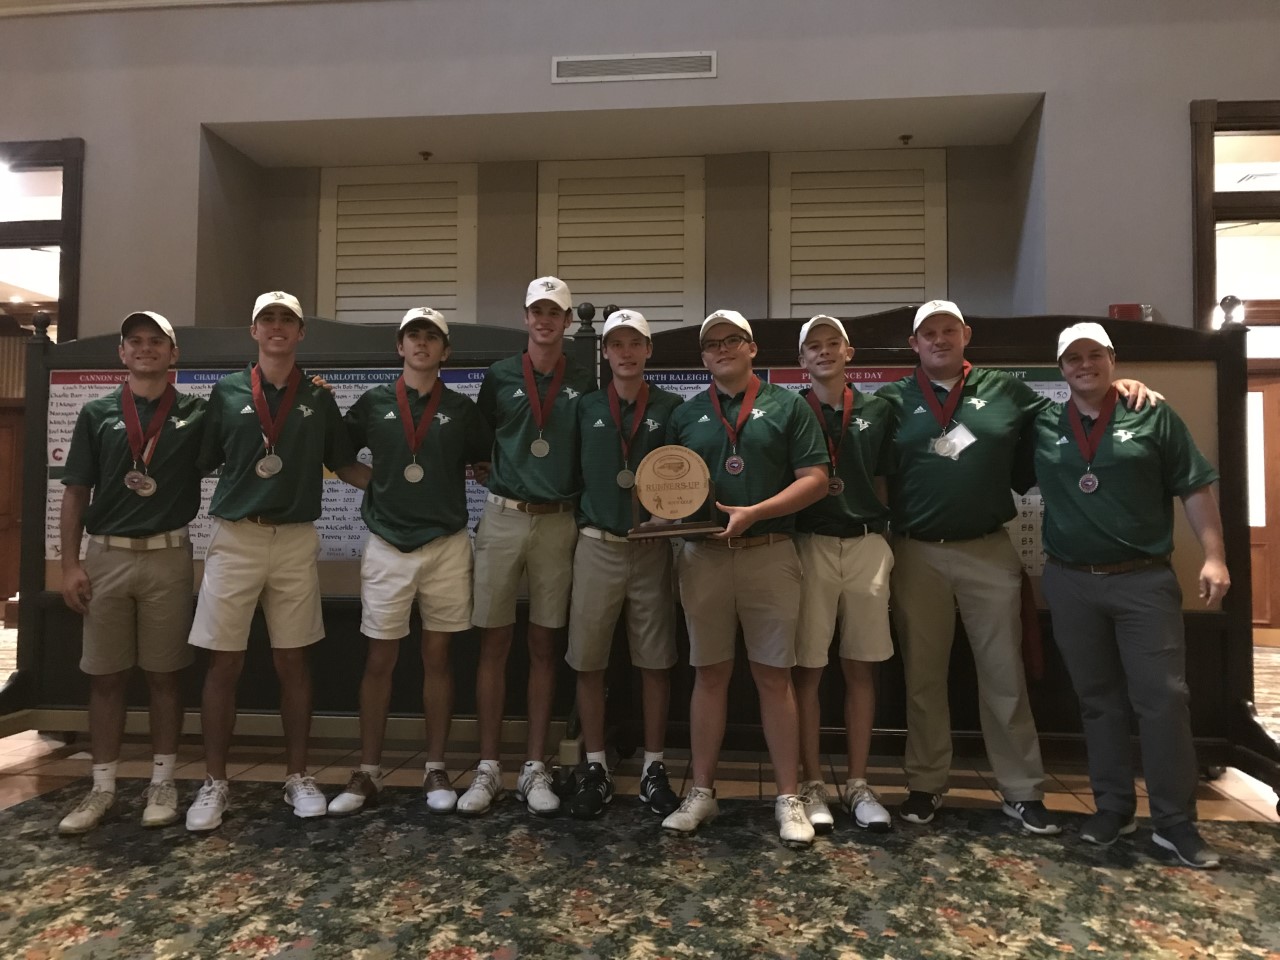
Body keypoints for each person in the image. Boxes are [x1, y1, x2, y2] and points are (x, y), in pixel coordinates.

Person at [877, 299, 1157, 834]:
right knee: (923, 676)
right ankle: (925, 784)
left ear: (966, 336)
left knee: (1003, 673)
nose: (939, 339)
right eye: (928, 333)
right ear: (914, 344)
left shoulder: (1004, 389)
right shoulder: (892, 398)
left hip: (988, 547)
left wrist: (1121, 388)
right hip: (915, 551)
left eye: (949, 331)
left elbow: (1074, 410)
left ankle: (1022, 790)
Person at [1036, 322, 1229, 868]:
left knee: (1163, 698)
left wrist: (1214, 556)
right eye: (1073, 358)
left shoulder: (1153, 413)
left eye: (1094, 355)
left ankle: (1174, 823)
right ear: (1061, 369)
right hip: (1071, 579)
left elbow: (1194, 485)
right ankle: (1113, 807)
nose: (1084, 366)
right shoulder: (1045, 422)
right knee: (1098, 701)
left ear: (1112, 360)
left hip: (1142, 579)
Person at [185, 291, 369, 831]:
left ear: (301, 332)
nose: (277, 328)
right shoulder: (226, 394)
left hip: (293, 540)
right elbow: (197, 460)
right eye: (267, 319)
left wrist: (398, 493)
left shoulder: (318, 398)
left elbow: (344, 463)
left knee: (293, 660)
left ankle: (296, 775)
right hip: (236, 538)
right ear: (254, 330)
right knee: (224, 661)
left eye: (287, 320)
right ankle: (215, 781)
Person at [662, 309, 829, 847]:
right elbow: (669, 487)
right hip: (702, 558)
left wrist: (755, 511)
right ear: (704, 357)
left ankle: (788, 797)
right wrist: (668, 516)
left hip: (770, 551)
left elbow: (817, 480)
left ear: (753, 348)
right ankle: (702, 792)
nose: (722, 349)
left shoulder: (789, 406)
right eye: (712, 344)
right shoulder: (688, 414)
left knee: (773, 677)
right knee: (708, 674)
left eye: (733, 340)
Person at [327, 308, 492, 816]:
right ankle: (369, 770)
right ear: (400, 347)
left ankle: (435, 766)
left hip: (445, 544)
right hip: (387, 545)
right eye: (413, 337)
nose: (421, 344)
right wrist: (378, 486)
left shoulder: (462, 411)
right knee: (380, 659)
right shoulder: (374, 403)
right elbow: (338, 456)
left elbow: (484, 462)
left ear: (446, 350)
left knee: (438, 658)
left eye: (431, 338)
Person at [56, 311, 205, 834]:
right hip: (107, 556)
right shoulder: (97, 413)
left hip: (168, 555)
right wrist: (70, 563)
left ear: (173, 354)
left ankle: (163, 780)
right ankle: (102, 787)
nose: (145, 349)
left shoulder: (194, 413)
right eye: (135, 342)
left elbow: (245, 436)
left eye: (156, 342)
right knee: (106, 675)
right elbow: (76, 490)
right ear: (122, 353)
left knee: (166, 674)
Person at [461, 277, 596, 817]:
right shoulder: (498, 377)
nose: (545, 320)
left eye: (554, 313)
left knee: (544, 644)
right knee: (492, 644)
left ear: (566, 322)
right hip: (503, 517)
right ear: (526, 318)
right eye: (536, 311)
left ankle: (536, 765)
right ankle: (490, 766)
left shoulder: (584, 378)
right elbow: (481, 440)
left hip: (559, 521)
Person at [563, 309, 683, 820]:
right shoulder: (586, 406)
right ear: (605, 353)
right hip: (596, 543)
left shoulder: (673, 408)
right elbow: (566, 472)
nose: (626, 352)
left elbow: (687, 479)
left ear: (648, 350)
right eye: (617, 345)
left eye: (636, 343)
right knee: (587, 659)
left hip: (653, 548)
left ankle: (655, 766)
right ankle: (594, 765)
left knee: (654, 660)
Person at [791, 315, 895, 834]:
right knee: (808, 669)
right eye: (814, 346)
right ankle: (812, 782)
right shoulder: (792, 408)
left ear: (850, 353)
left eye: (834, 344)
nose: (825, 352)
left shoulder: (880, 407)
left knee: (861, 667)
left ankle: (858, 781)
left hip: (866, 544)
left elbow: (888, 476)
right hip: (809, 545)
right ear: (802, 360)